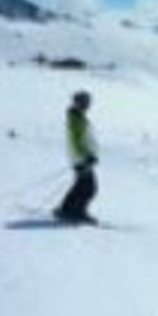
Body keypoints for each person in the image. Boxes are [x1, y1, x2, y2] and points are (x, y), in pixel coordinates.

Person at [54, 90, 99, 224]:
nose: (88, 105)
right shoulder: (76, 118)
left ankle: (67, 209)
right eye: (85, 102)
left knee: (81, 186)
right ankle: (77, 212)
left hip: (80, 158)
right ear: (79, 103)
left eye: (88, 102)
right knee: (89, 188)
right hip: (81, 159)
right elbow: (77, 140)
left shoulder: (77, 117)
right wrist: (87, 156)